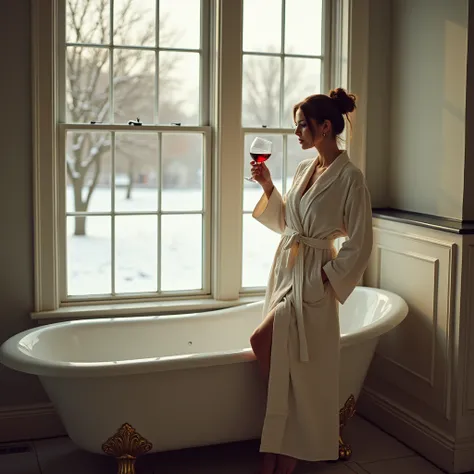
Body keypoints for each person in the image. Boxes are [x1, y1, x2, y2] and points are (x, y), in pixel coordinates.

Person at [249, 88, 373, 474]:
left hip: (314, 281)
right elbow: (290, 222)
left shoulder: (351, 178)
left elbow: (361, 240)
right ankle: (280, 451)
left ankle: (284, 449)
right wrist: (269, 187)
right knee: (289, 369)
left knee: (266, 345)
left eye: (302, 125)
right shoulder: (306, 170)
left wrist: (327, 277)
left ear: (324, 126)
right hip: (287, 270)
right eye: (296, 125)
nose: (297, 132)